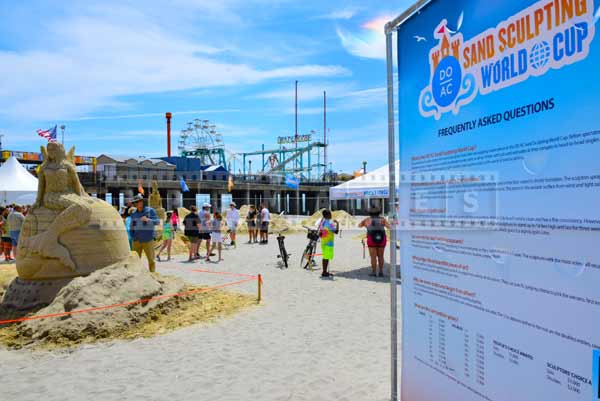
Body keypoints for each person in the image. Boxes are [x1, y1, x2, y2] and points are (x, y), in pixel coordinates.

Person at [129, 194, 160, 272]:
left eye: (137, 202)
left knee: (151, 260)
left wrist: (148, 220)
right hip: (137, 241)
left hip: (148, 240)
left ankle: (153, 275)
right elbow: (132, 226)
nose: (136, 204)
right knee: (135, 260)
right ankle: (136, 275)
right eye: (134, 202)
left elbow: (157, 222)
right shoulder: (134, 214)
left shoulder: (150, 211)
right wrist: (133, 237)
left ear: (142, 202)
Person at [358, 207, 391, 277]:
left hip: (371, 238)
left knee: (373, 257)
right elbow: (389, 227)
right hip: (382, 238)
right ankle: (381, 272)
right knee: (381, 256)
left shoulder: (367, 220)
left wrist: (365, 224)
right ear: (379, 213)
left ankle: (373, 272)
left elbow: (359, 226)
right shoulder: (382, 219)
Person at [318, 209, 339, 278]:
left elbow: (320, 233)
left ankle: (325, 271)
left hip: (323, 241)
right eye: (330, 214)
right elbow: (336, 232)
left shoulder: (322, 222)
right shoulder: (329, 223)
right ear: (327, 215)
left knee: (325, 257)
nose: (331, 215)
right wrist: (337, 224)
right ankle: (324, 272)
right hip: (328, 242)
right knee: (326, 257)